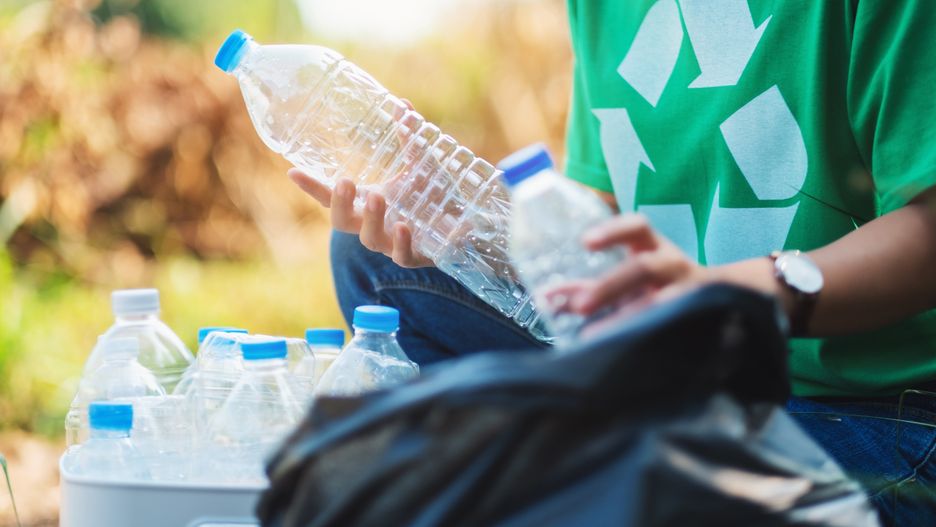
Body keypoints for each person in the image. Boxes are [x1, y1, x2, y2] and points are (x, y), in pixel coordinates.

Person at [289, 1, 936, 524]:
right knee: (379, 264)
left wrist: (726, 294)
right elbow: (604, 215)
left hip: (866, 407)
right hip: (676, 374)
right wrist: (476, 231)